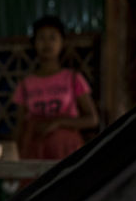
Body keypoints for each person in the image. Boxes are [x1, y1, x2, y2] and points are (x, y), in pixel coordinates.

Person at [12, 15, 100, 160]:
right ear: (34, 43)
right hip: (34, 152)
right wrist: (14, 158)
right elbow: (19, 127)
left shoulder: (73, 79)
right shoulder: (26, 84)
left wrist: (58, 123)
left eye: (52, 37)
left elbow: (92, 119)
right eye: (41, 38)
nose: (47, 43)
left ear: (62, 42)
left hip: (66, 151)